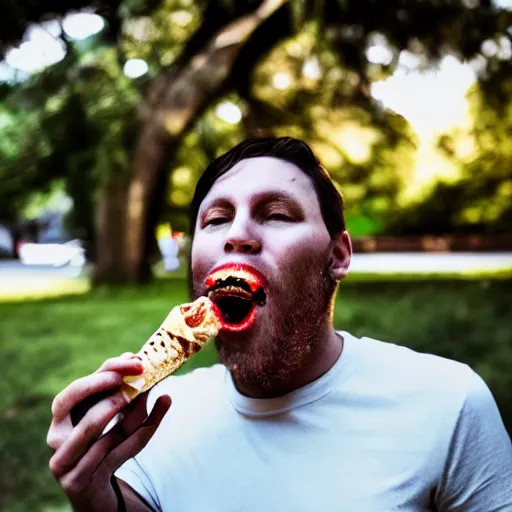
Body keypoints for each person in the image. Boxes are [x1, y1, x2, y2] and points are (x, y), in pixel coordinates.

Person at [47, 137, 512, 512]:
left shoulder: (447, 404)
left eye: (276, 214)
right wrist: (95, 499)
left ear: (337, 256)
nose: (237, 236)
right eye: (216, 219)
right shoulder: (153, 425)